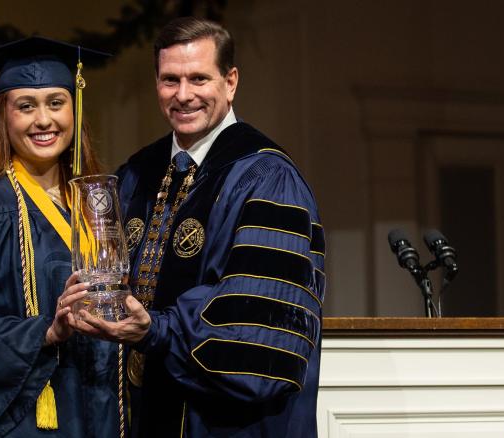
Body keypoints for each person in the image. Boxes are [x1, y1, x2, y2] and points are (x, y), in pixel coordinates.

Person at [71, 17, 325, 437]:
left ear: (231, 82)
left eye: (198, 79)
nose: (183, 95)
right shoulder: (136, 174)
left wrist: (156, 330)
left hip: (229, 424)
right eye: (170, 80)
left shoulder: (267, 179)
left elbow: (256, 326)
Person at [0, 37, 122, 437]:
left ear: (74, 109)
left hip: (97, 414)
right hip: (27, 420)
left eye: (55, 103)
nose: (44, 120)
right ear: (3, 116)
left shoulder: (94, 203)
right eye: (26, 106)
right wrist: (46, 332)